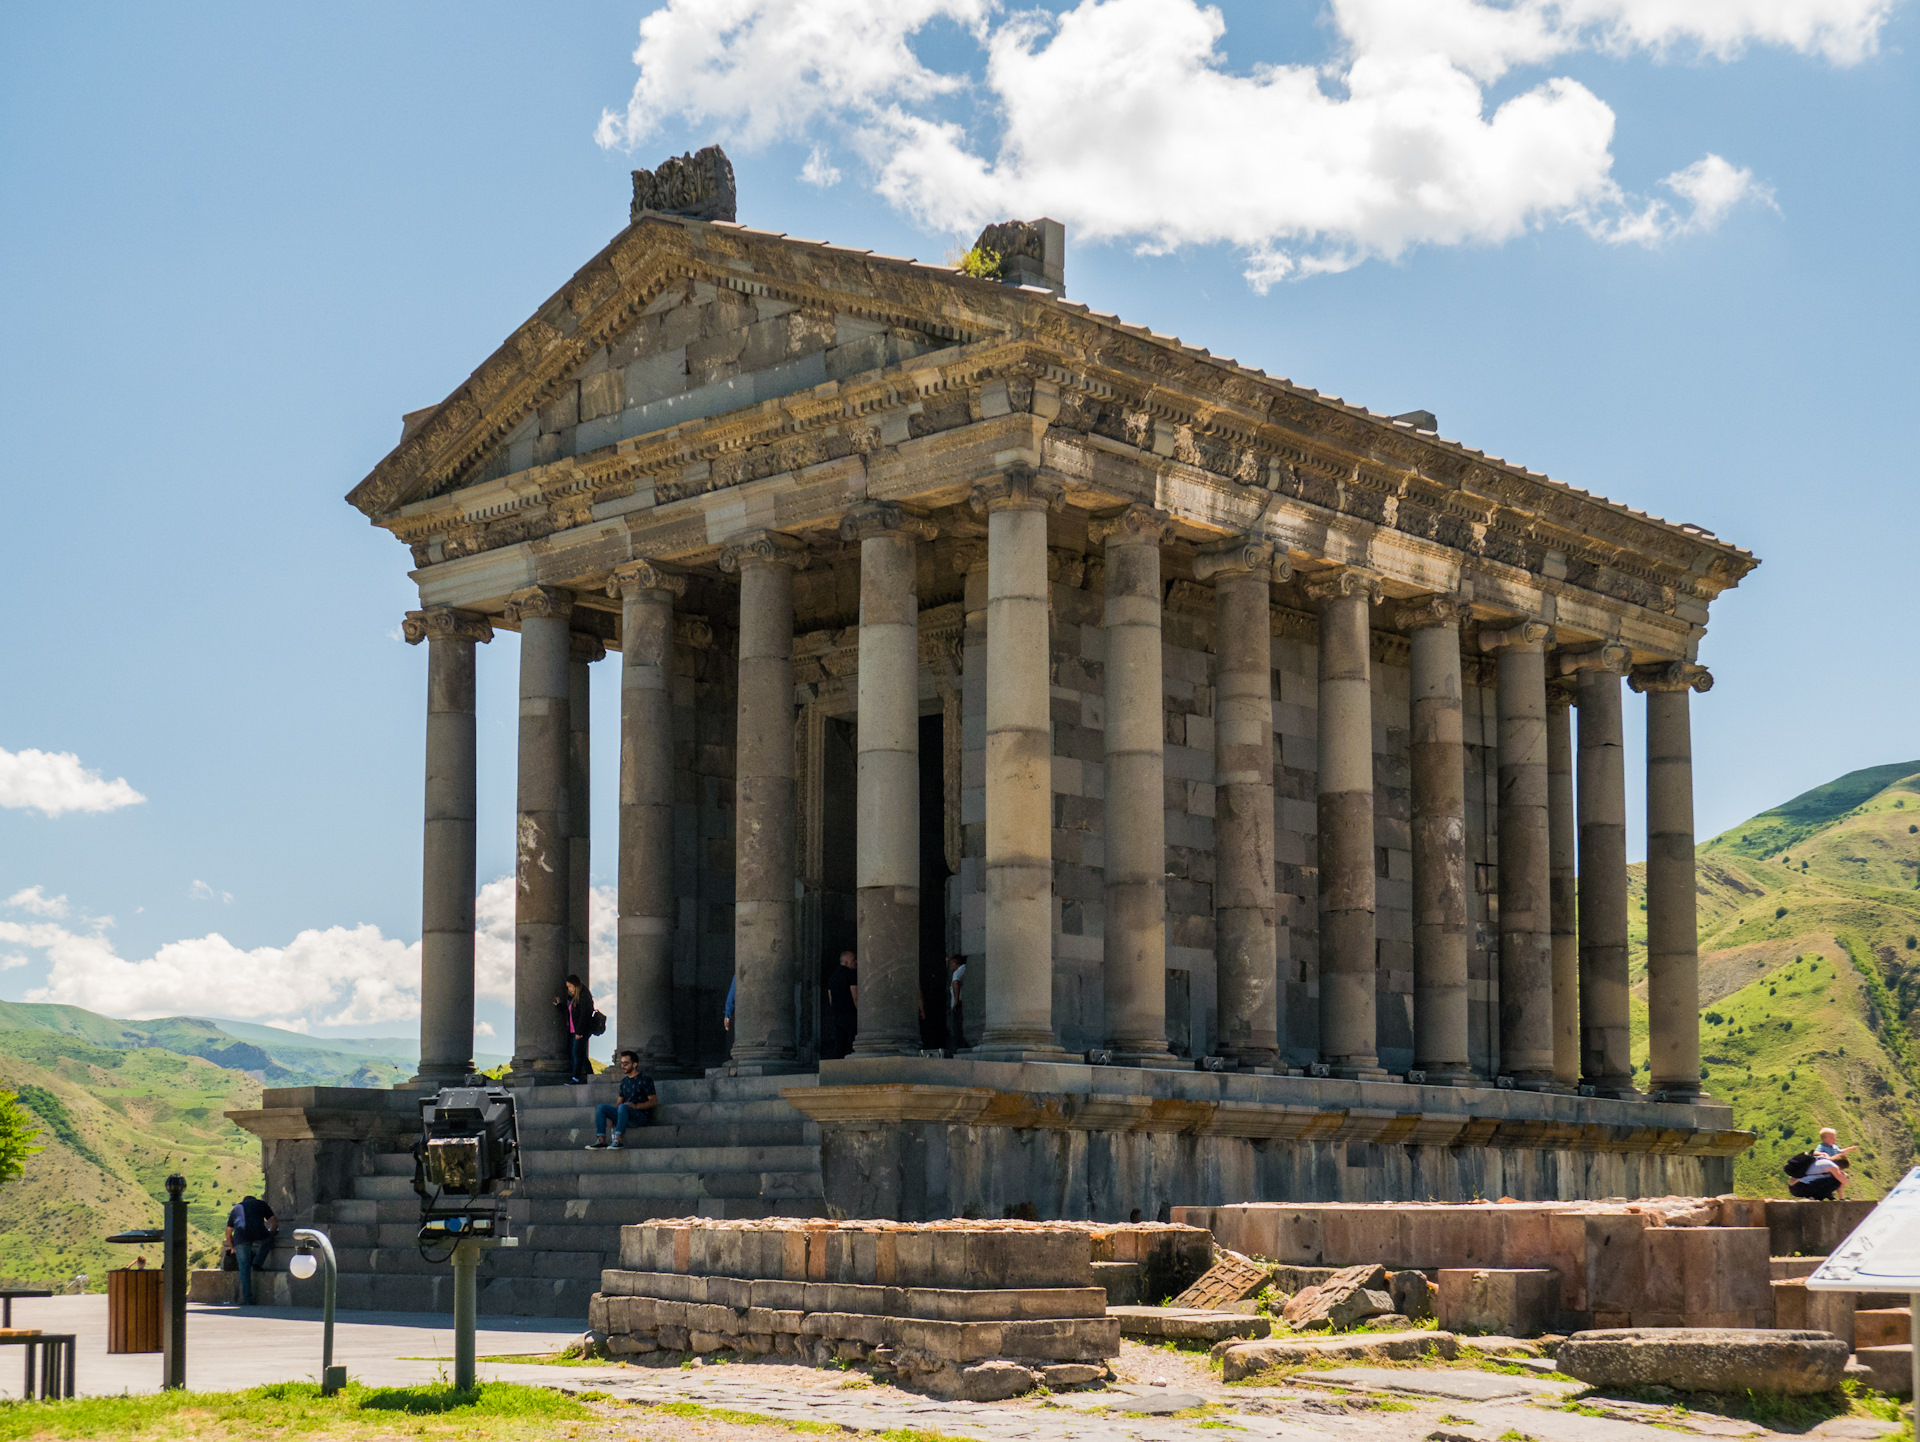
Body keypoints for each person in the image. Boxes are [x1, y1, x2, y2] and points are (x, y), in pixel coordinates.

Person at [586, 1050, 657, 1149]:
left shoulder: (645, 1079)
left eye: (626, 1063)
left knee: (624, 1107)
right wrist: (613, 1117)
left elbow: (654, 1101)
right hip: (624, 1114)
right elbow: (619, 1102)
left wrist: (636, 1106)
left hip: (640, 1116)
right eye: (622, 1063)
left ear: (635, 1064)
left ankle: (618, 1140)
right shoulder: (624, 1082)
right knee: (601, 1108)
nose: (623, 1066)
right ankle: (602, 1140)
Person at [224, 1193, 278, 1306]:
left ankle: (247, 1299)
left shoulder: (236, 1208)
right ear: (254, 1200)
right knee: (268, 1240)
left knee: (244, 1268)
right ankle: (257, 1263)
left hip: (241, 1236)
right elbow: (274, 1221)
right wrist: (271, 1234)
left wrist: (232, 1247)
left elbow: (228, 1232)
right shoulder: (261, 1204)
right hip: (258, 1231)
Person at [553, 974, 593, 1084]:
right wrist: (559, 1006)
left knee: (577, 1053)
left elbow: (585, 1013)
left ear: (576, 985)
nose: (569, 989)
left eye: (570, 986)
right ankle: (591, 1077)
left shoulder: (584, 995)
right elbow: (570, 1011)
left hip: (580, 1031)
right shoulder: (574, 996)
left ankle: (576, 1078)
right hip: (573, 1030)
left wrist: (579, 1031)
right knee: (579, 1054)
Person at [824, 951, 859, 1058]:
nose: (856, 962)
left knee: (840, 1044)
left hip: (837, 1015)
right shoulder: (851, 974)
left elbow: (831, 998)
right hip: (850, 1013)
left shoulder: (832, 977)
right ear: (847, 962)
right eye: (854, 960)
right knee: (853, 1042)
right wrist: (861, 1013)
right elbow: (855, 996)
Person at [945, 954, 967, 1057]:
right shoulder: (964, 969)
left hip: (957, 1004)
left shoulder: (957, 972)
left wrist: (956, 1000)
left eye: (951, 963)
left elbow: (955, 983)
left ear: (955, 963)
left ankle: (957, 1049)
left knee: (956, 1028)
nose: (950, 966)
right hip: (961, 1002)